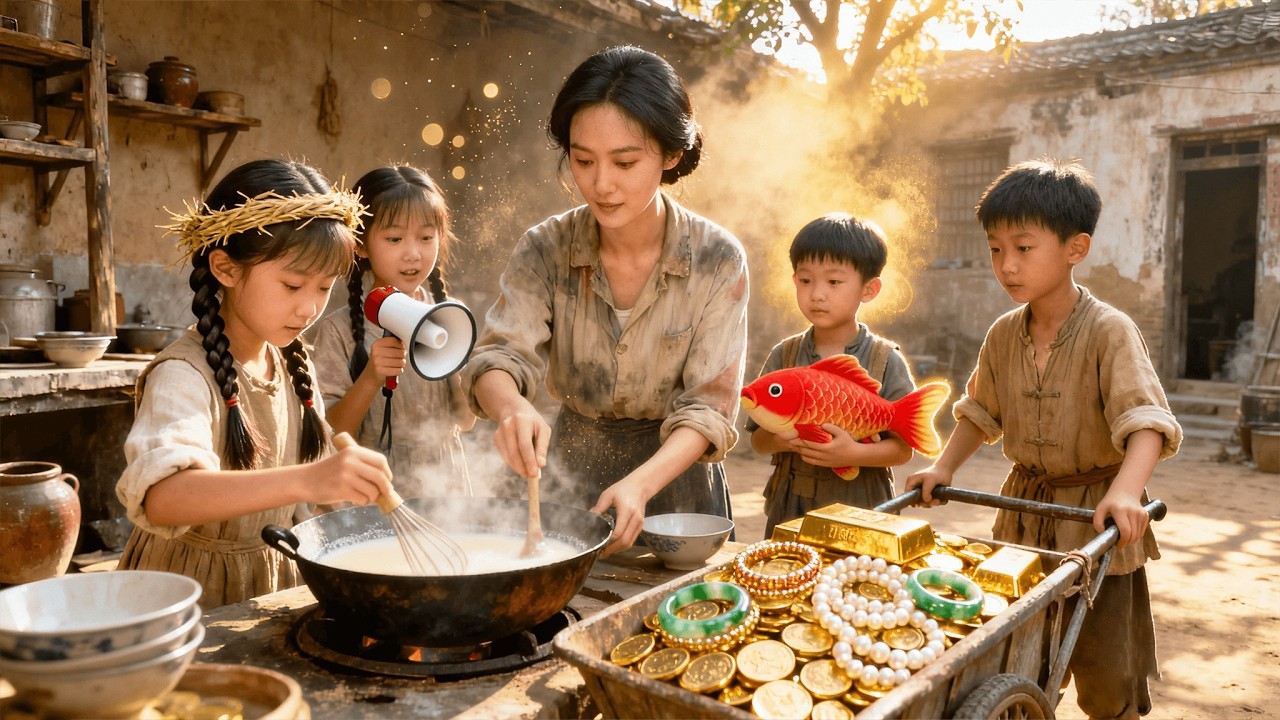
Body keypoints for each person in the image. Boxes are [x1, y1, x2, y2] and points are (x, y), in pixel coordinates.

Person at [906, 158, 1181, 720]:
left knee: (1107, 678)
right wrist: (943, 469)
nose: (1006, 265)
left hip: (1099, 525)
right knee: (1019, 657)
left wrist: (1127, 493)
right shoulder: (1003, 334)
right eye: (995, 249)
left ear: (1075, 248)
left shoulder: (1110, 330)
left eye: (1023, 248)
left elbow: (1147, 424)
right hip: (1024, 520)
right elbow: (979, 413)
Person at [462, 45, 749, 555]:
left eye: (625, 161)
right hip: (570, 470)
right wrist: (510, 410)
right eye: (582, 160)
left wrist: (641, 484)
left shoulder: (717, 259)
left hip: (675, 479)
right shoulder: (544, 248)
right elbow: (497, 357)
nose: (600, 184)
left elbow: (709, 408)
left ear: (671, 154)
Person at [115, 159, 395, 608]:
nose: (309, 309)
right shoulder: (183, 375)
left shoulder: (291, 360)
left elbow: (311, 485)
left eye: (324, 288)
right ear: (225, 269)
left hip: (271, 584)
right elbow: (163, 497)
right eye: (291, 286)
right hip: (185, 599)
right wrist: (308, 479)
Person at [747, 214, 922, 538]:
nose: (817, 294)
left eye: (834, 282)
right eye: (805, 280)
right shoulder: (784, 357)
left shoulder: (885, 360)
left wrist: (852, 454)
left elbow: (902, 450)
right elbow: (757, 441)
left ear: (869, 289)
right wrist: (779, 438)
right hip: (791, 506)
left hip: (863, 509)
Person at [312, 165, 476, 498]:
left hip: (446, 488)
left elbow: (468, 420)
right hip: (372, 490)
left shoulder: (448, 319)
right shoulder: (339, 331)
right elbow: (332, 434)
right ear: (360, 244)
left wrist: (458, 365)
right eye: (394, 238)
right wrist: (371, 377)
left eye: (426, 237)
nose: (413, 253)